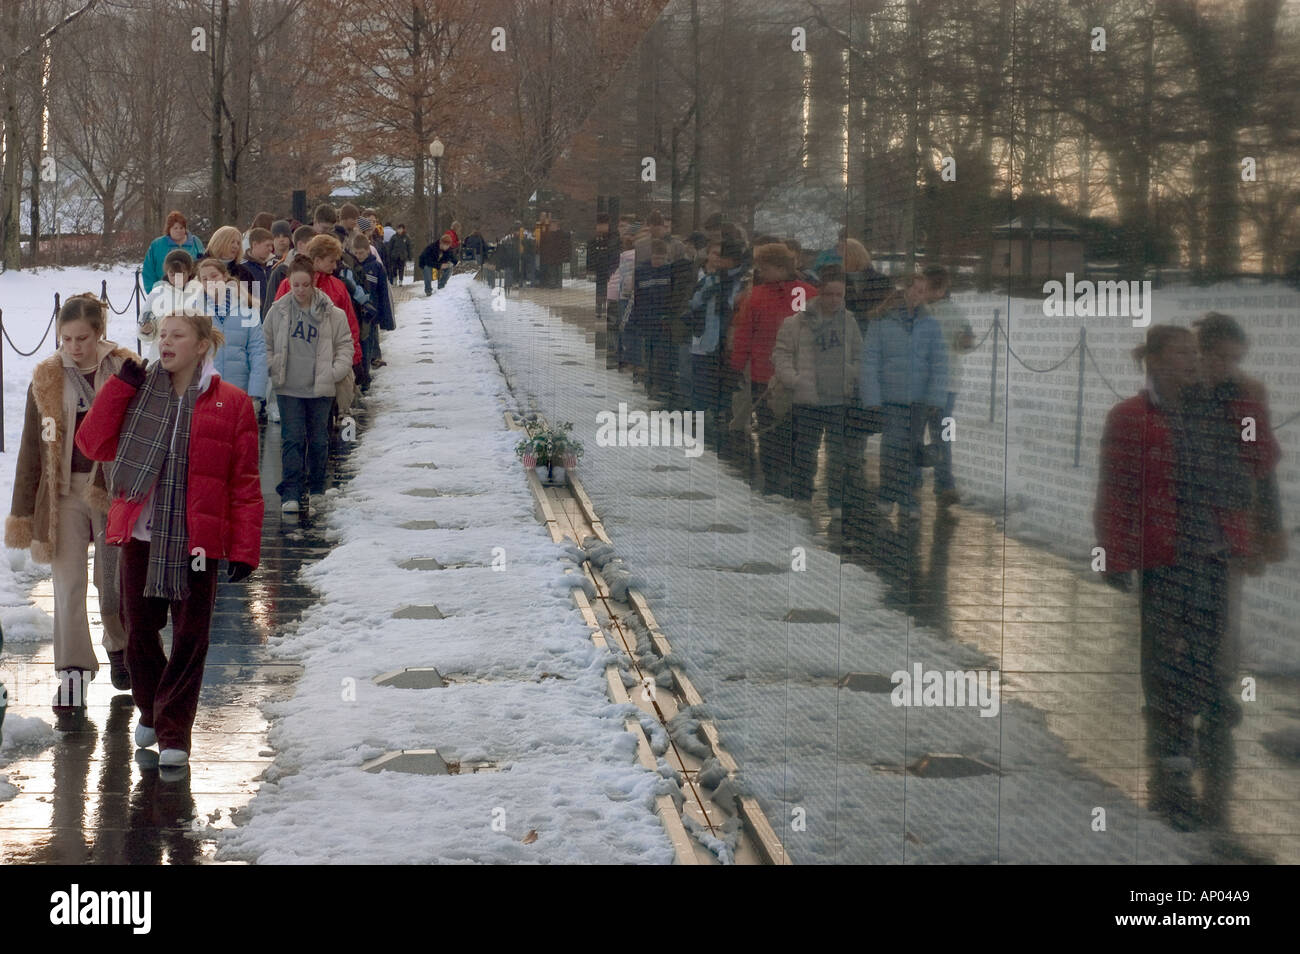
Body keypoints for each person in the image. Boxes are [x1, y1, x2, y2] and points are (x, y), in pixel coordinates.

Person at [1094, 324, 1279, 831]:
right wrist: (1113, 552)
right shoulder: (1131, 416)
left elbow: (1257, 460)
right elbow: (1117, 489)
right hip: (1165, 553)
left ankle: (1191, 731)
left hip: (1214, 549)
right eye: (1179, 352)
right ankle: (1172, 745)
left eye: (1193, 353)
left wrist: (1245, 405)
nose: (1190, 360)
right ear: (1154, 359)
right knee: (1163, 651)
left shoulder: (1219, 406)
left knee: (1203, 646)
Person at [75, 307, 263, 770]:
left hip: (198, 541)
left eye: (177, 335)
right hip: (141, 532)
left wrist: (243, 548)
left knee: (190, 636)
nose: (166, 343)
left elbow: (244, 483)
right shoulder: (136, 391)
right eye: (162, 335)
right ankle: (153, 708)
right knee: (138, 630)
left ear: (202, 345)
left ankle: (175, 729)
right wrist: (119, 388)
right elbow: (91, 444)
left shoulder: (231, 403)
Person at [7, 295, 137, 712]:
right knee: (67, 584)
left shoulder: (123, 368)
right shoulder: (46, 375)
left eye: (82, 338)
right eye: (66, 338)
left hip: (112, 488)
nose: (74, 347)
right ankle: (73, 671)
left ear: (99, 333)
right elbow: (32, 446)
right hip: (62, 491)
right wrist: (24, 512)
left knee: (111, 579)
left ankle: (120, 648)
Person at [771, 264, 862, 526]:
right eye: (830, 294)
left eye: (839, 295)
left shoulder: (849, 321)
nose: (835, 300)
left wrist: (849, 373)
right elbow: (782, 353)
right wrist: (794, 379)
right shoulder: (798, 321)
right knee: (806, 452)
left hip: (837, 398)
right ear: (819, 293)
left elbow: (859, 354)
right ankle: (802, 497)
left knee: (837, 455)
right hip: (808, 398)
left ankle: (835, 502)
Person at [264, 259, 355, 514]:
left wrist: (334, 372)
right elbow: (266, 341)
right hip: (288, 386)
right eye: (296, 285)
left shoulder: (331, 312)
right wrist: (272, 365)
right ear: (289, 283)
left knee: (318, 440)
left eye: (305, 284)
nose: (301, 290)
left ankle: (316, 488)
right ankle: (291, 492)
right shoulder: (278, 311)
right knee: (292, 439)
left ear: (313, 282)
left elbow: (344, 344)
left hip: (319, 387)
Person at [729, 243, 817, 497]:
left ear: (778, 268)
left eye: (764, 268)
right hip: (797, 375)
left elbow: (745, 334)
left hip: (767, 374)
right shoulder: (808, 293)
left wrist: (736, 367)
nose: (761, 273)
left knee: (772, 431)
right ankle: (796, 483)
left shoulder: (756, 296)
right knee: (796, 432)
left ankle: (775, 480)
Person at [857, 272, 947, 520]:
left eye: (923, 291)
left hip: (919, 400)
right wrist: (872, 397)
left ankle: (906, 497)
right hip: (891, 397)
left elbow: (939, 363)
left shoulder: (930, 323)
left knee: (910, 447)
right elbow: (870, 360)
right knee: (893, 444)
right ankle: (888, 493)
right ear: (905, 290)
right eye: (916, 290)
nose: (920, 296)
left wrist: (936, 398)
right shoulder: (882, 320)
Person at [274, 234, 363, 407]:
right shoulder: (289, 284)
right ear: (317, 259)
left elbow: (349, 324)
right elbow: (277, 321)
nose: (335, 265)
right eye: (331, 261)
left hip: (330, 363)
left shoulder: (338, 286)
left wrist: (355, 357)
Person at [686, 237, 747, 438]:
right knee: (702, 378)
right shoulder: (710, 280)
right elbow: (693, 304)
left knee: (725, 379)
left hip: (729, 342)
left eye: (724, 257)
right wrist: (705, 295)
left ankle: (722, 413)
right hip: (707, 339)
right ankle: (699, 415)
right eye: (717, 256)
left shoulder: (742, 283)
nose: (720, 261)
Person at [921, 265, 971, 507]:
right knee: (928, 435)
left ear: (940, 290)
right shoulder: (921, 311)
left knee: (936, 434)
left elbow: (965, 341)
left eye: (928, 288)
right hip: (930, 384)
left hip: (941, 384)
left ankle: (943, 483)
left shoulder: (948, 313)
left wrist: (964, 340)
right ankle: (929, 483)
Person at [196, 258, 267, 415]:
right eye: (204, 279)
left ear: (225, 276)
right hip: (205, 390)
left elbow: (258, 351)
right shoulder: (194, 310)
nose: (210, 282)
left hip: (239, 390)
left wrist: (255, 393)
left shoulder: (247, 308)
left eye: (214, 276)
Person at [139, 250, 202, 364]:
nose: (177, 278)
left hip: (192, 356)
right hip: (162, 355)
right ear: (167, 272)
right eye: (172, 274)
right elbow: (144, 320)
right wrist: (146, 330)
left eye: (181, 273)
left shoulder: (200, 291)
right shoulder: (157, 293)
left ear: (189, 271)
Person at [142, 211, 205, 292]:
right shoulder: (157, 245)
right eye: (175, 228)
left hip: (191, 291)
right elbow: (148, 269)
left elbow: (203, 263)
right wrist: (152, 290)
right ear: (169, 229)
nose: (178, 230)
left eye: (181, 228)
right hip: (164, 290)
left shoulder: (195, 242)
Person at [588, 213, 620, 322]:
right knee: (600, 289)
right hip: (600, 268)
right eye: (599, 225)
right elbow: (591, 254)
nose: (600, 227)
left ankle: (609, 311)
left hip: (610, 268)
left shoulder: (614, 237)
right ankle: (599, 309)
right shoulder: (594, 239)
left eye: (603, 224)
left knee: (609, 290)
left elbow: (614, 252)